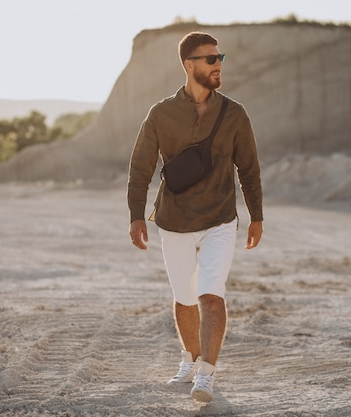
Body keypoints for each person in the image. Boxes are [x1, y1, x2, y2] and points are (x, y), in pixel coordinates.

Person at [127, 31, 263, 403]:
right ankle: (189, 360)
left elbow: (248, 169)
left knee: (211, 297)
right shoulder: (161, 113)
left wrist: (256, 216)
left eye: (221, 57)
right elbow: (140, 167)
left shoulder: (234, 114)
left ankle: (206, 375)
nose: (219, 64)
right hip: (174, 221)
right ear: (190, 65)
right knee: (184, 297)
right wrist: (136, 215)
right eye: (211, 59)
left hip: (220, 219)